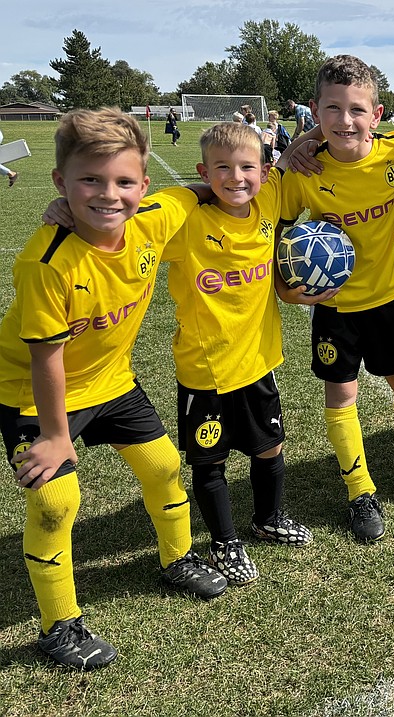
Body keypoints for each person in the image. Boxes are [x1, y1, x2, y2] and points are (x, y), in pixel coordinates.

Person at [0, 108, 225, 670]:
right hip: (30, 391)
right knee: (56, 499)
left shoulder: (156, 214)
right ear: (60, 183)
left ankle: (177, 558)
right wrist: (55, 436)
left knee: (164, 467)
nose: (109, 195)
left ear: (145, 186)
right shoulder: (45, 261)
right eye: (89, 181)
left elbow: (203, 190)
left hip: (112, 382)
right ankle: (60, 626)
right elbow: (44, 356)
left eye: (124, 181)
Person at [277, 54, 394, 541]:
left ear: (376, 114)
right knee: (342, 392)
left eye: (356, 110)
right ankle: (360, 492)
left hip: (386, 299)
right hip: (332, 306)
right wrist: (289, 288)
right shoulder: (304, 171)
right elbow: (277, 226)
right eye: (332, 109)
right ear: (315, 110)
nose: (344, 120)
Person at [160, 122, 313, 585]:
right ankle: (224, 543)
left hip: (259, 361)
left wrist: (302, 145)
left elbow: (297, 152)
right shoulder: (189, 224)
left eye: (247, 167)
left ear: (263, 173)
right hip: (206, 371)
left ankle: (269, 518)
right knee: (210, 462)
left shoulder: (268, 199)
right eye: (222, 169)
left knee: (270, 447)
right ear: (203, 171)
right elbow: (129, 220)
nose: (236, 177)